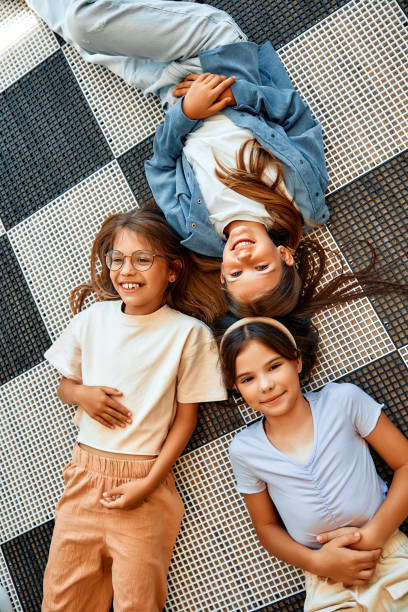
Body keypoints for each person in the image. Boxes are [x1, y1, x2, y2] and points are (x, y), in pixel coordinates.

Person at [27, 0, 407, 319]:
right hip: (216, 52)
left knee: (86, 43)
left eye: (238, 272)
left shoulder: (195, 230)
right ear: (285, 255)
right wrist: (233, 93)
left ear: (223, 276)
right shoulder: (300, 195)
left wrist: (186, 114)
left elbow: (160, 165)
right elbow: (293, 113)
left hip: (168, 89)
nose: (243, 256)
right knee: (85, 23)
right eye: (261, 265)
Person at [41, 207, 227, 612]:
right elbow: (63, 385)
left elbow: (185, 418)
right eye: (118, 259)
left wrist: (149, 482)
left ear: (173, 270)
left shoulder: (188, 334)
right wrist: (82, 394)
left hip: (145, 481)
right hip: (84, 477)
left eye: (143, 259)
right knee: (62, 599)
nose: (128, 270)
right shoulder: (93, 319)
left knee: (138, 602)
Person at [219, 316, 408, 611]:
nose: (266, 385)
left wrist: (374, 535)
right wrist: (316, 561)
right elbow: (267, 528)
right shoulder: (245, 450)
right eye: (248, 379)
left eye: (274, 366)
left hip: (390, 557)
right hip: (327, 581)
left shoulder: (343, 401)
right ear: (236, 387)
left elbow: (406, 464)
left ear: (296, 361)